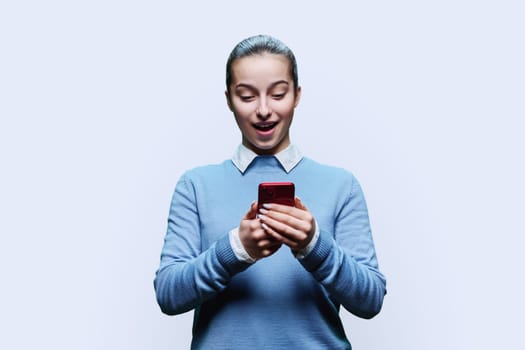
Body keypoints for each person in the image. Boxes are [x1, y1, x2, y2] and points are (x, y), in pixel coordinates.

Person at [154, 34, 386, 349]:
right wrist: (236, 249)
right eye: (247, 96)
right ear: (228, 100)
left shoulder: (341, 186)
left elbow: (371, 300)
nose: (264, 110)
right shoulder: (195, 186)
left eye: (278, 94)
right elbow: (168, 295)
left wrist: (314, 245)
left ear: (297, 95)